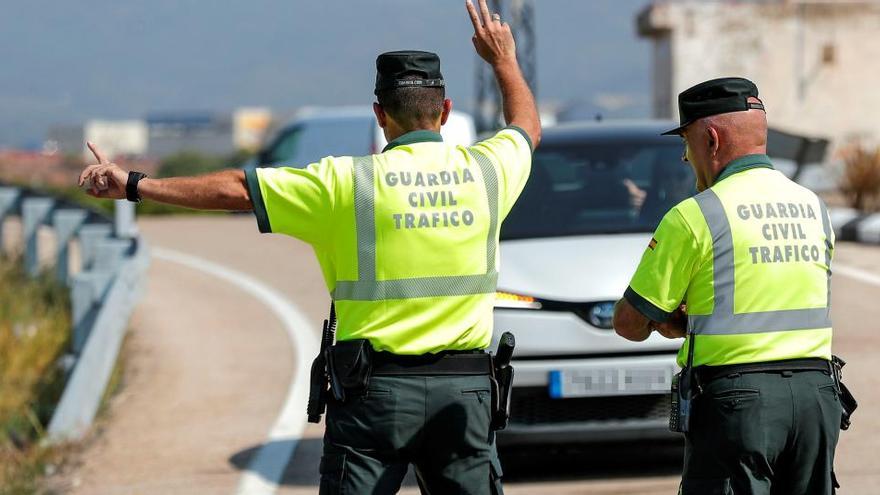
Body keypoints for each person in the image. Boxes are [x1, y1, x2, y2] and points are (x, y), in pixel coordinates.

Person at [77, 1, 540, 493]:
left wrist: (134, 184)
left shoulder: (344, 183)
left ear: (379, 115)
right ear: (445, 112)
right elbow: (525, 127)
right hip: (464, 394)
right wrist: (505, 61)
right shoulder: (489, 171)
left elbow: (237, 189)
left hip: (373, 396)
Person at [612, 77, 843, 494]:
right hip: (817, 398)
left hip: (739, 404)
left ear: (711, 139)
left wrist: (674, 321)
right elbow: (773, 297)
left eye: (686, 141)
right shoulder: (815, 207)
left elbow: (630, 323)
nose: (685, 157)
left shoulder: (696, 216)